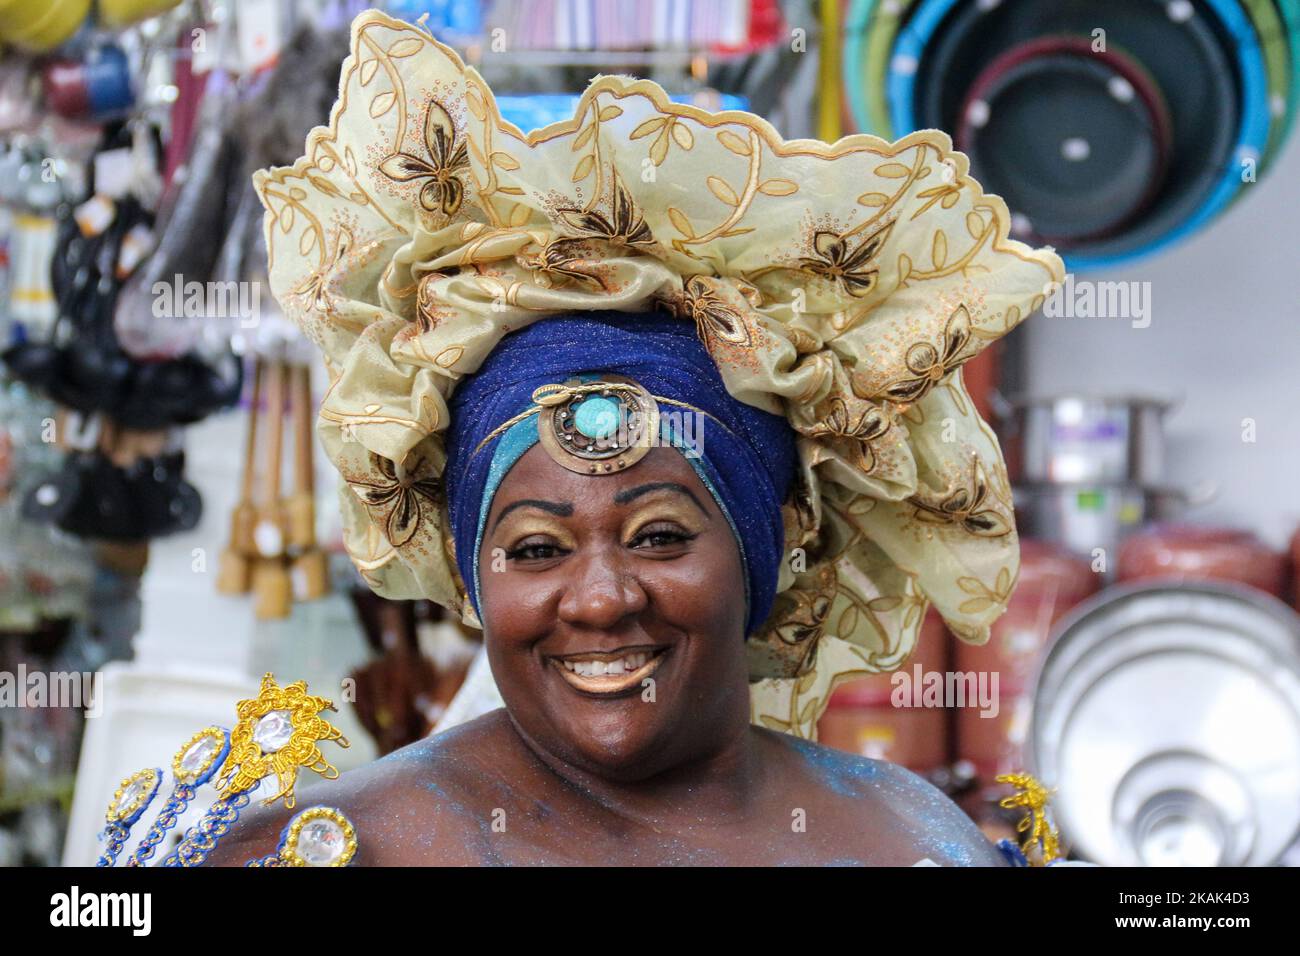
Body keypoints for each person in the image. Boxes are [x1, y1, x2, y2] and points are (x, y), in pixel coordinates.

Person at [167, 8, 1066, 866]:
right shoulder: (340, 853)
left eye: (660, 535)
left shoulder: (909, 841)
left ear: (786, 535)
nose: (599, 600)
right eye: (534, 548)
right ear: (462, 563)